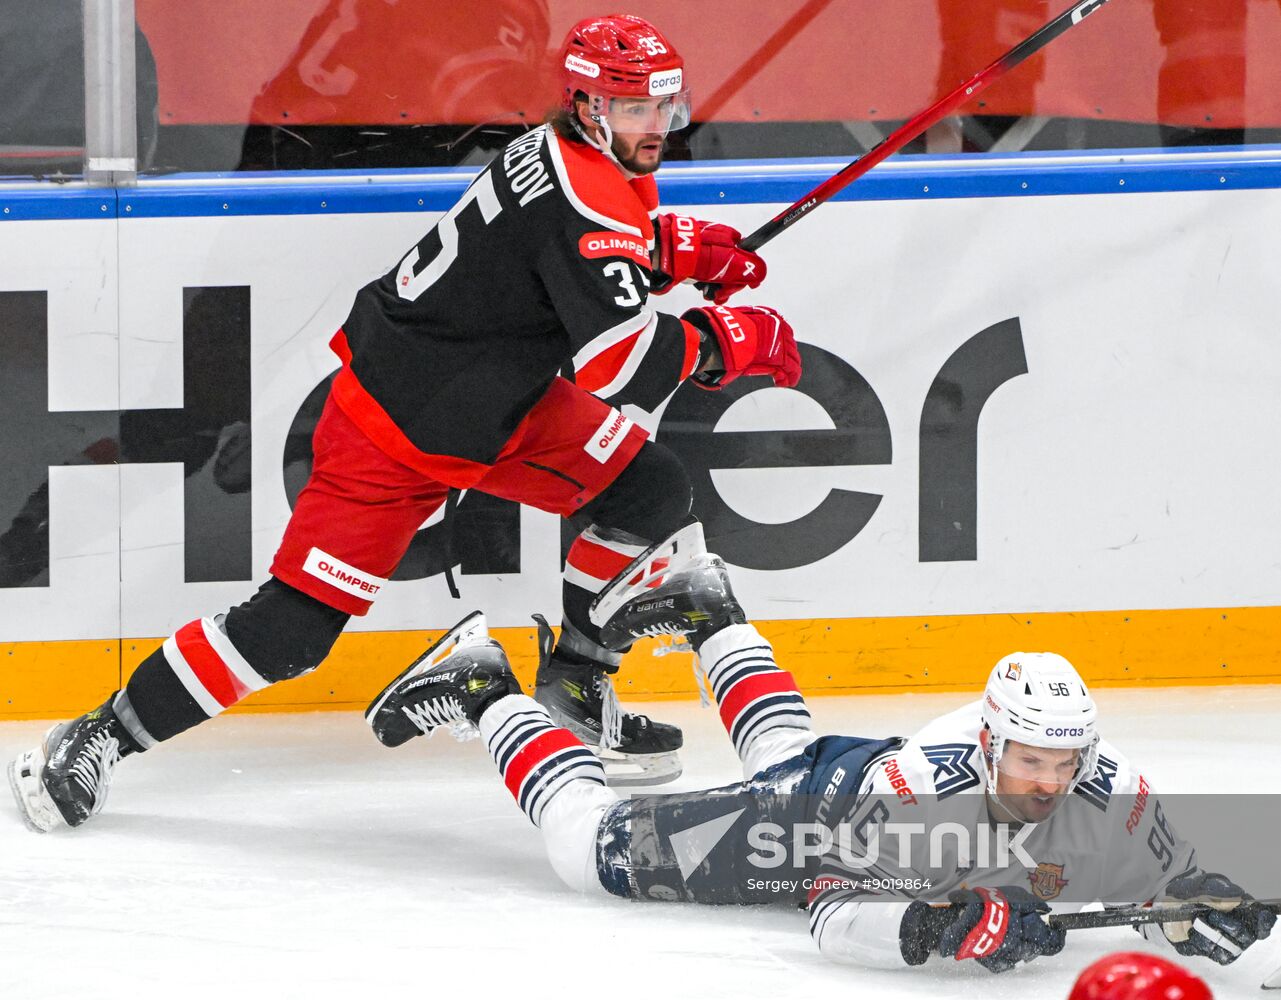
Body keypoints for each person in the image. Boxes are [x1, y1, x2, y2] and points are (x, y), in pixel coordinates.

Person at [8, 14, 801, 832]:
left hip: (497, 404)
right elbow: (620, 365)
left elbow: (557, 253)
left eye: (664, 106)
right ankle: (97, 736)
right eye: (635, 109)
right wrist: (729, 341)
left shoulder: (564, 153)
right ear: (587, 107)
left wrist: (674, 250)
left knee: (649, 489)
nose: (656, 126)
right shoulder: (591, 192)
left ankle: (574, 687)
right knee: (291, 632)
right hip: (393, 426)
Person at [365, 598, 1275, 975]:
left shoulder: (1113, 789)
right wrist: (937, 926)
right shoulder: (917, 791)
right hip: (809, 822)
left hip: (849, 779)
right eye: (1028, 761)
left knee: (783, 747)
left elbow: (1166, 886)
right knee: (586, 848)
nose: (1048, 783)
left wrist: (1195, 912)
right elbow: (831, 909)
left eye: (1063, 764)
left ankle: (711, 612)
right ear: (989, 740)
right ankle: (482, 684)